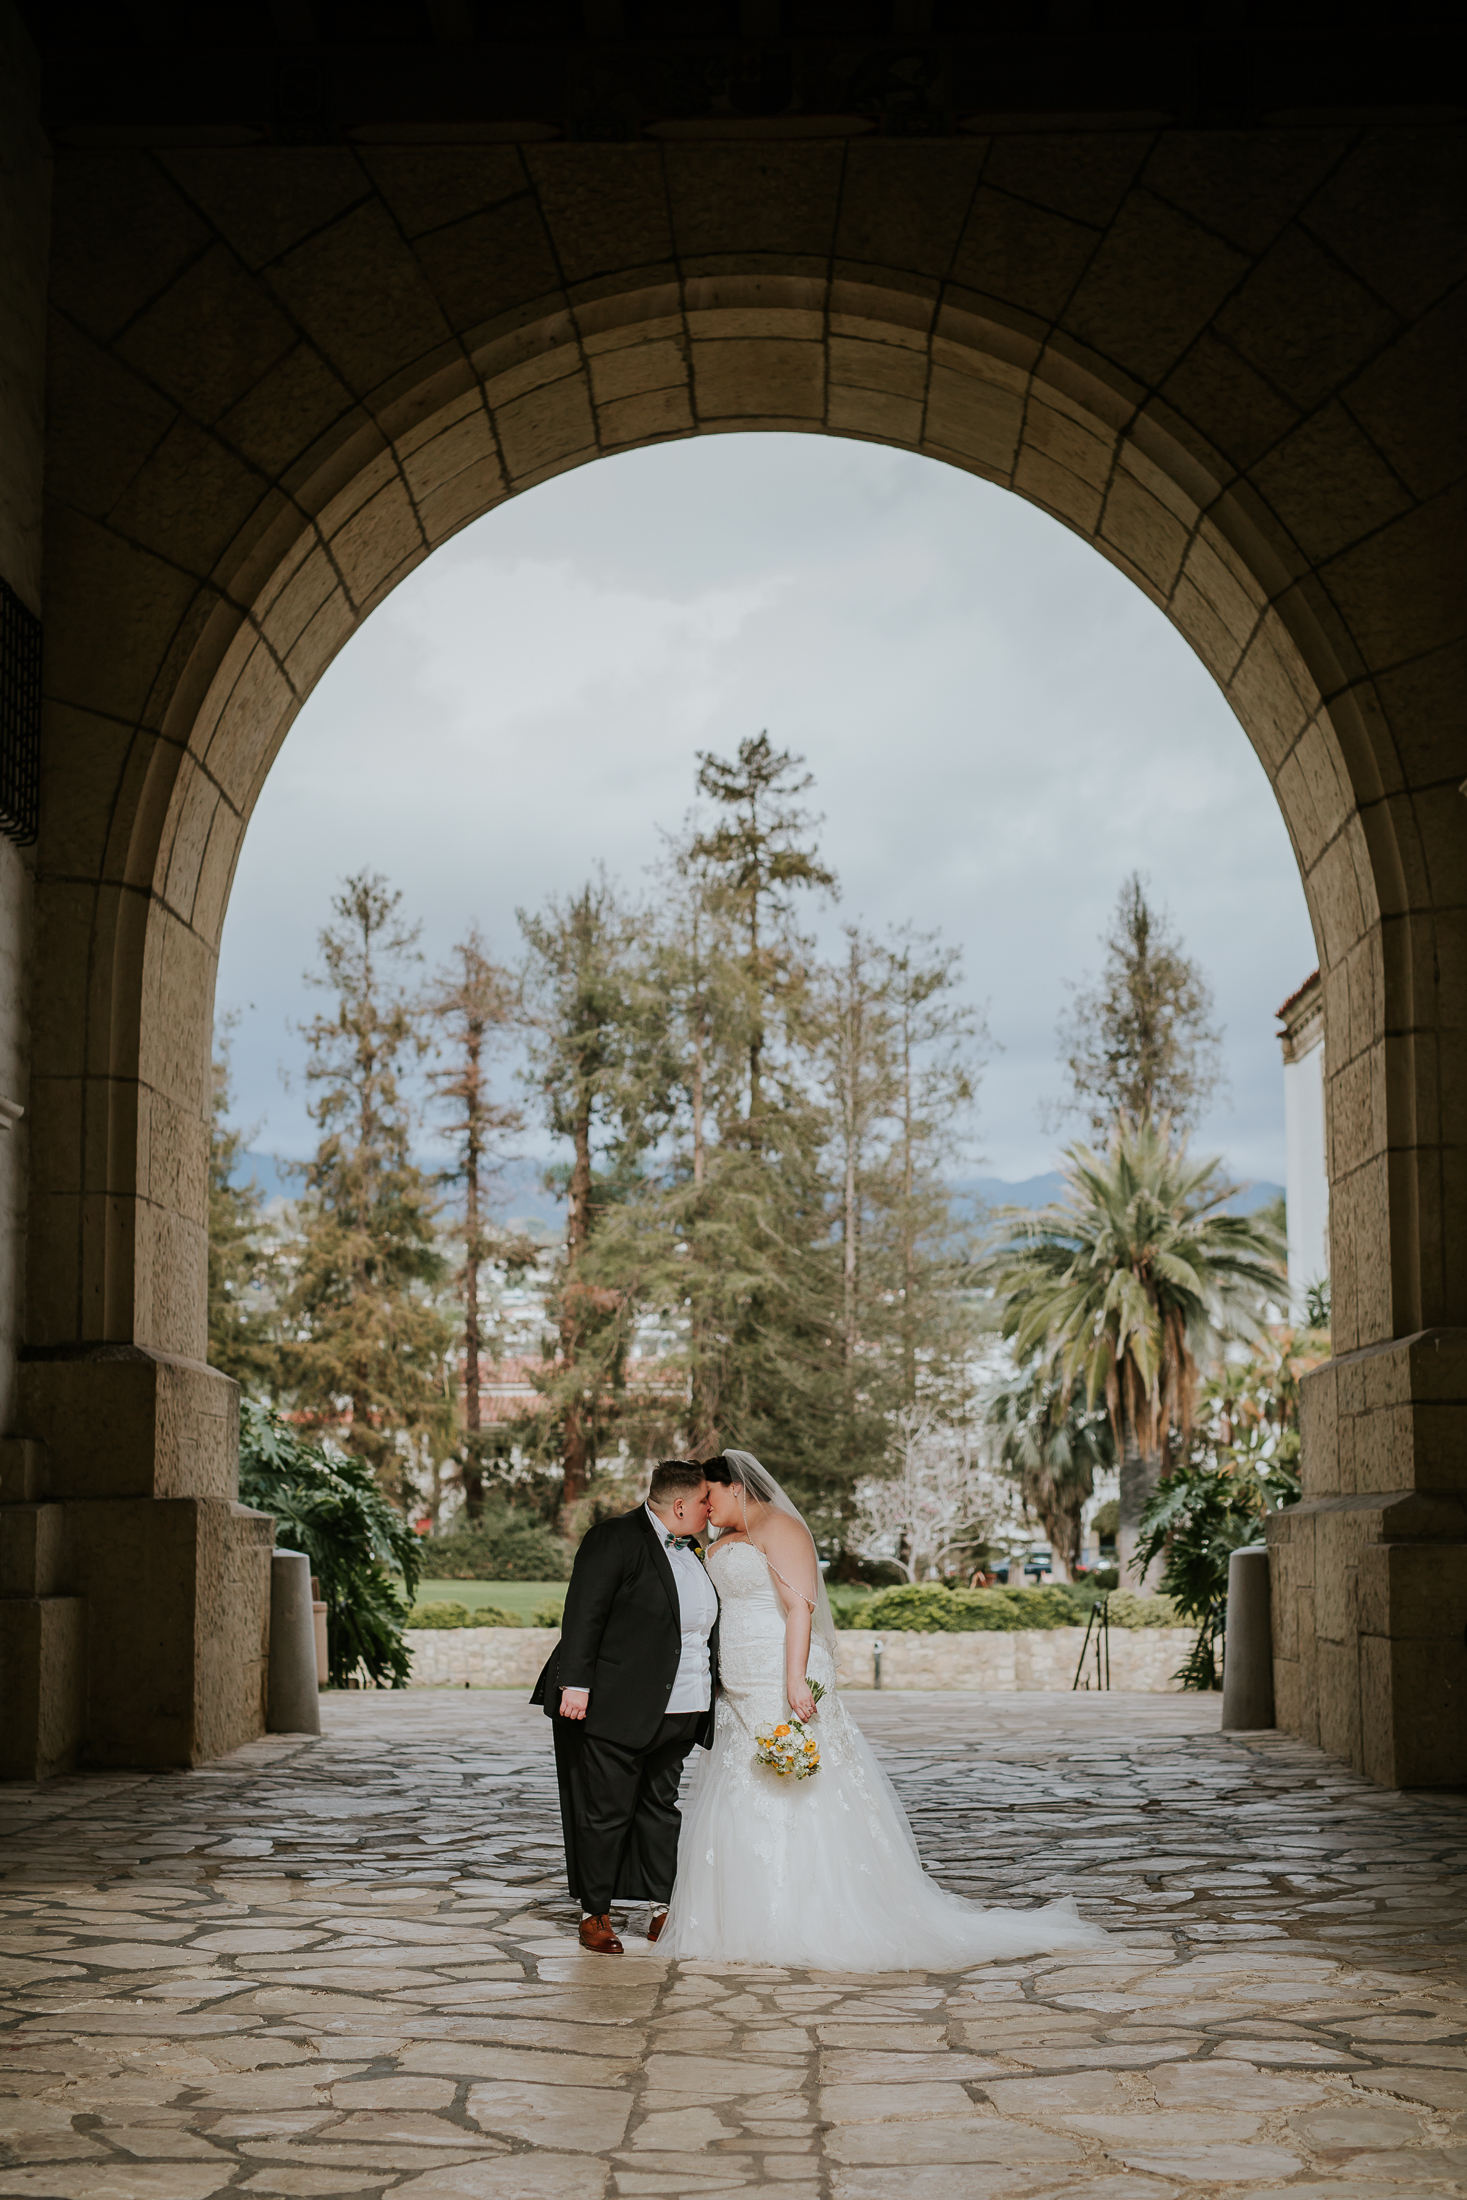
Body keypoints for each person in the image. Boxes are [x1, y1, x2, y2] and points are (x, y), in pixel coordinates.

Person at [659, 1449, 1106, 1971]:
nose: (705, 1507)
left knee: (798, 1794)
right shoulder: (718, 1542)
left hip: (781, 1678)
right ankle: (735, 1919)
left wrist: (795, 1680)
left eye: (709, 1496)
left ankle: (806, 1918)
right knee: (739, 1791)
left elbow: (799, 1607)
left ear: (735, 1487)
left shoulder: (780, 1528)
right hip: (736, 1688)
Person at [530, 1460, 720, 1954]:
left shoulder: (695, 1550)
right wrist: (575, 1683)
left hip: (684, 1705)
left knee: (661, 1808)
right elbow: (583, 1612)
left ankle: (661, 1908)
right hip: (616, 1703)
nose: (710, 1508)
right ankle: (596, 1913)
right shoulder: (612, 1538)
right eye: (704, 1501)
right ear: (680, 1505)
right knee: (606, 1811)